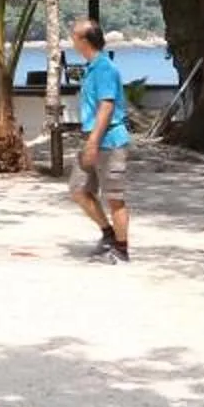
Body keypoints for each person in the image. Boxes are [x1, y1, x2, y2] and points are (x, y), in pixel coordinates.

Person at [68, 23, 130, 262]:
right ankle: (108, 234)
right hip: (92, 137)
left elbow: (107, 105)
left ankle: (122, 250)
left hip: (110, 140)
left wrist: (93, 141)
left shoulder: (104, 68)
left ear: (84, 40)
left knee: (115, 197)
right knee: (78, 189)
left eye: (74, 35)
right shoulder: (91, 68)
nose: (71, 39)